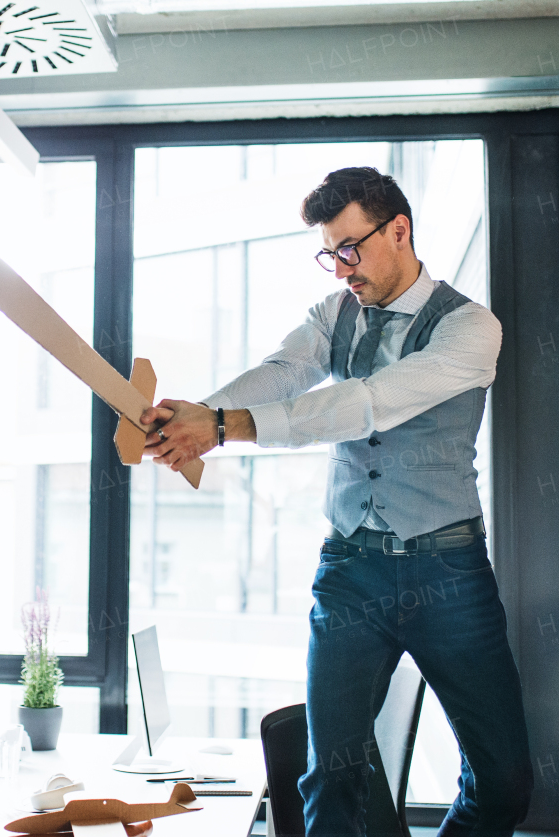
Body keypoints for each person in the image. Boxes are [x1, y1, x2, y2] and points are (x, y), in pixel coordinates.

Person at [140, 167, 533, 836]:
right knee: (331, 775)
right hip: (351, 570)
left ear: (399, 230)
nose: (339, 268)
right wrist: (205, 411)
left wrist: (227, 428)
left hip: (450, 572)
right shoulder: (335, 315)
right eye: (329, 252)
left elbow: (367, 403)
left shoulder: (471, 329)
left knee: (503, 781)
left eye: (349, 247)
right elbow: (285, 370)